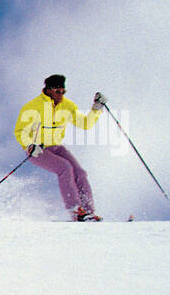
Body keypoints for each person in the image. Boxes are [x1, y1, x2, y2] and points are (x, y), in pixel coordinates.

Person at [14, 75, 105, 221]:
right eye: (58, 92)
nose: (61, 95)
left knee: (80, 173)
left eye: (63, 92)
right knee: (65, 168)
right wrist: (30, 145)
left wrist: (96, 109)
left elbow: (85, 124)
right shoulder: (32, 107)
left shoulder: (67, 105)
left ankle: (88, 212)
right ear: (49, 90)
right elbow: (20, 131)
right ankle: (76, 210)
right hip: (38, 150)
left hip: (57, 147)